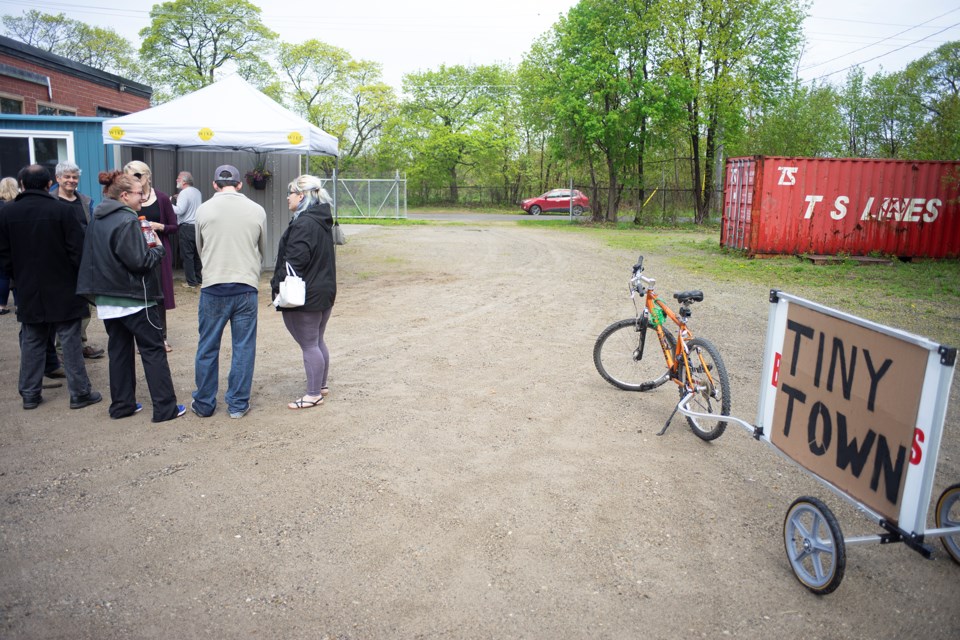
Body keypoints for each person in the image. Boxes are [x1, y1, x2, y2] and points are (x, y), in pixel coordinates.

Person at [76, 171, 185, 422]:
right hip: (135, 298)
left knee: (120, 352)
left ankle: (122, 405)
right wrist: (157, 249)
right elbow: (139, 261)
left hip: (108, 299)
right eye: (139, 194)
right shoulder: (127, 221)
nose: (143, 199)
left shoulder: (98, 218)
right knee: (153, 351)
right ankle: (165, 409)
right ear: (124, 196)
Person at [0, 164, 101, 410]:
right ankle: (79, 393)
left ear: (22, 184)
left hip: (28, 287)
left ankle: (30, 394)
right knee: (70, 339)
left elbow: (3, 256)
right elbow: (77, 251)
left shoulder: (7, 213)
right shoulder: (62, 210)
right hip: (63, 285)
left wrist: (19, 276)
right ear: (49, 184)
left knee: (33, 339)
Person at [191, 165, 266, 419]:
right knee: (243, 347)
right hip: (245, 285)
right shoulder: (257, 210)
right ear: (240, 184)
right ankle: (237, 403)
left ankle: (203, 403)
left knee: (207, 346)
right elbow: (261, 247)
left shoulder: (203, 210)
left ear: (214, 184)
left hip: (214, 285)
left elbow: (200, 247)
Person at [270, 175, 337, 410]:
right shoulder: (320, 220)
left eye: (290, 193)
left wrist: (277, 286)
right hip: (323, 291)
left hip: (306, 296)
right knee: (317, 340)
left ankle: (313, 394)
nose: (288, 197)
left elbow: (293, 263)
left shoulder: (304, 223)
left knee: (309, 344)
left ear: (301, 196)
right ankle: (321, 385)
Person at [52, 162, 104, 359]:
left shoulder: (84, 201)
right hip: (59, 263)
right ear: (58, 178)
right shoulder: (51, 201)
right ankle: (61, 349)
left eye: (74, 177)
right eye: (67, 177)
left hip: (84, 260)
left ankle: (80, 343)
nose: (71, 181)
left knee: (85, 303)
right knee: (62, 306)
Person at [123, 161, 177, 352]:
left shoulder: (161, 198)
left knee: (159, 294)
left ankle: (161, 337)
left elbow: (174, 226)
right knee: (138, 293)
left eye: (138, 175)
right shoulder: (125, 198)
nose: (134, 179)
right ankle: (142, 338)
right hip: (134, 251)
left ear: (148, 176)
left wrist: (158, 226)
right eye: (130, 176)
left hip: (159, 251)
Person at [172, 171, 203, 288]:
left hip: (186, 227)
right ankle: (199, 279)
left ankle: (191, 282)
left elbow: (179, 210)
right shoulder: (197, 192)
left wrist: (167, 203)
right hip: (197, 226)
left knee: (187, 255)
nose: (176, 180)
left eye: (178, 178)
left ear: (184, 181)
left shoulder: (184, 193)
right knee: (196, 254)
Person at [0, 176, 17, 316]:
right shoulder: (17, 204)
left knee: (2, 276)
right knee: (16, 275)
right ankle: (19, 304)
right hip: (14, 243)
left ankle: (2, 305)